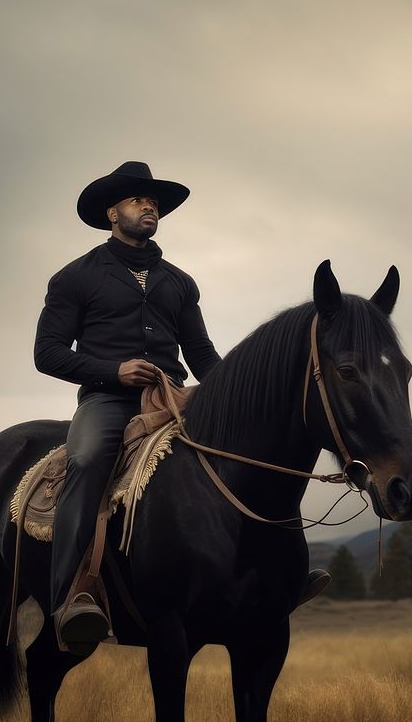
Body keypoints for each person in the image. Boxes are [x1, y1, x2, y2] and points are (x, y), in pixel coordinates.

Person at [35, 160, 329, 656]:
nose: (149, 205)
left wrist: (239, 400)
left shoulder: (178, 282)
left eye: (154, 201)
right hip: (108, 399)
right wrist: (114, 370)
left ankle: (279, 577)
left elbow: (202, 355)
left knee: (249, 453)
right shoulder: (75, 277)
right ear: (112, 212)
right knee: (86, 461)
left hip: (174, 396)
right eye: (136, 199)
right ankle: (70, 594)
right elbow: (48, 353)